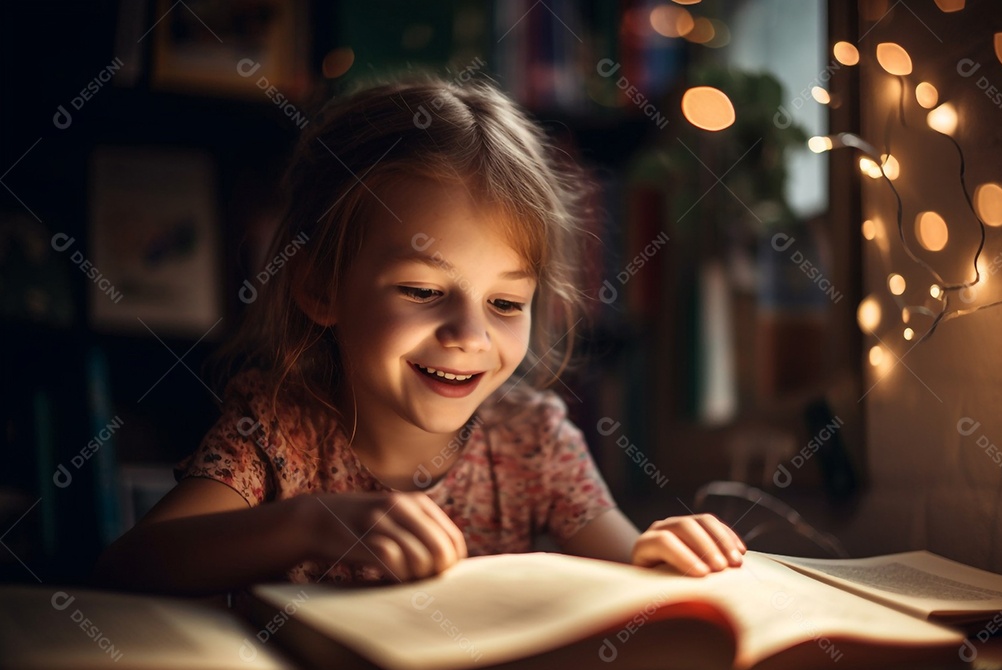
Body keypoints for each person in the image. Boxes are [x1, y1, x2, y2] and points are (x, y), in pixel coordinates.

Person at [94, 78, 745, 595]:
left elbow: (627, 570)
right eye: (423, 292)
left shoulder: (534, 440)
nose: (469, 334)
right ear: (320, 288)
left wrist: (661, 551)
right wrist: (307, 523)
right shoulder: (277, 428)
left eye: (506, 302)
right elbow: (135, 563)